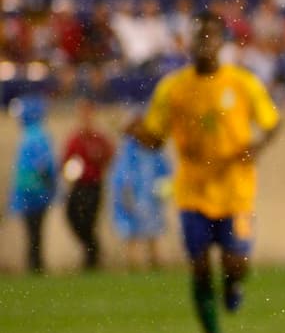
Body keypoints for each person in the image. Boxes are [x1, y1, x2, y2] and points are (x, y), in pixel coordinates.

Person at [132, 11, 281, 333]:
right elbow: (154, 137)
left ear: (222, 43)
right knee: (199, 266)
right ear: (188, 42)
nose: (204, 44)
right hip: (193, 191)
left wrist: (256, 147)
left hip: (235, 190)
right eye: (198, 37)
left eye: (211, 37)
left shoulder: (242, 83)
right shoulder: (173, 88)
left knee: (236, 263)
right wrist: (136, 131)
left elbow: (272, 123)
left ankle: (232, 285)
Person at [109, 112, 173, 270]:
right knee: (132, 235)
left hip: (152, 198)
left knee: (153, 233)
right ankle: (133, 265)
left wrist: (162, 190)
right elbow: (121, 174)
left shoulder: (154, 150)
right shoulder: (128, 150)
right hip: (133, 197)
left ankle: (156, 263)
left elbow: (164, 172)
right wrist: (125, 193)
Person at [60, 97, 115, 271]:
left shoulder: (99, 138)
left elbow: (110, 155)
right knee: (73, 217)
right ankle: (93, 251)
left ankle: (91, 258)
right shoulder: (75, 139)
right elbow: (66, 161)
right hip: (78, 186)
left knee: (89, 220)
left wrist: (101, 171)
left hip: (93, 185)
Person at [6, 95, 57, 274]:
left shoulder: (30, 136)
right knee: (36, 231)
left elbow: (41, 166)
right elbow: (47, 165)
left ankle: (34, 264)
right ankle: (36, 264)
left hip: (32, 192)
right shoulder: (39, 135)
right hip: (38, 191)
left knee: (33, 231)